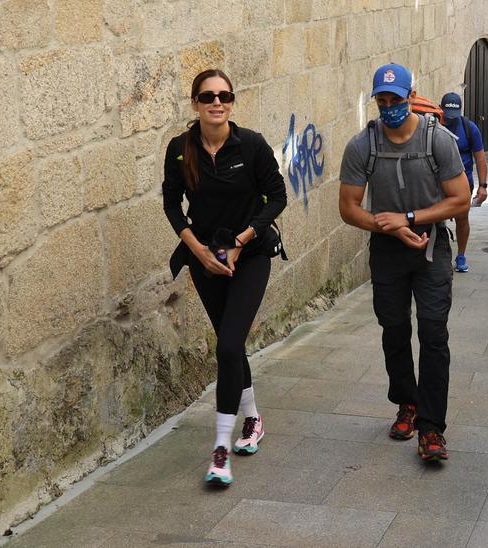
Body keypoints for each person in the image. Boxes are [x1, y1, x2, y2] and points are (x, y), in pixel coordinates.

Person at [338, 63, 471, 462]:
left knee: (433, 334)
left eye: (397, 99)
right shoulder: (363, 145)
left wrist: (411, 219)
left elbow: (460, 200)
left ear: (412, 97)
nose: (390, 106)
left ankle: (432, 429)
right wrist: (390, 227)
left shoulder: (439, 141)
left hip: (431, 249)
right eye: (383, 99)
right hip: (388, 249)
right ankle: (407, 404)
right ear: (376, 99)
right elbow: (347, 207)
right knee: (393, 329)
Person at [162, 69, 288, 487]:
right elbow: (172, 203)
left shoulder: (249, 144)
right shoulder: (181, 149)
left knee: (228, 344)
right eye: (208, 96)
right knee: (231, 348)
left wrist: (240, 240)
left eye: (225, 95)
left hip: (249, 255)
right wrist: (196, 249)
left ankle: (220, 449)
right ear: (195, 103)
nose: (217, 102)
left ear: (232, 101)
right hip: (205, 257)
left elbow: (277, 196)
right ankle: (253, 420)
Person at [440, 92, 488, 272]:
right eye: (447, 114)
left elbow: (481, 158)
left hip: (463, 182)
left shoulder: (469, 128)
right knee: (435, 218)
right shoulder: (434, 126)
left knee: (462, 219)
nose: (450, 119)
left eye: (454, 114)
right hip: (437, 182)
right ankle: (437, 255)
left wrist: (483, 186)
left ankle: (461, 255)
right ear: (441, 109)